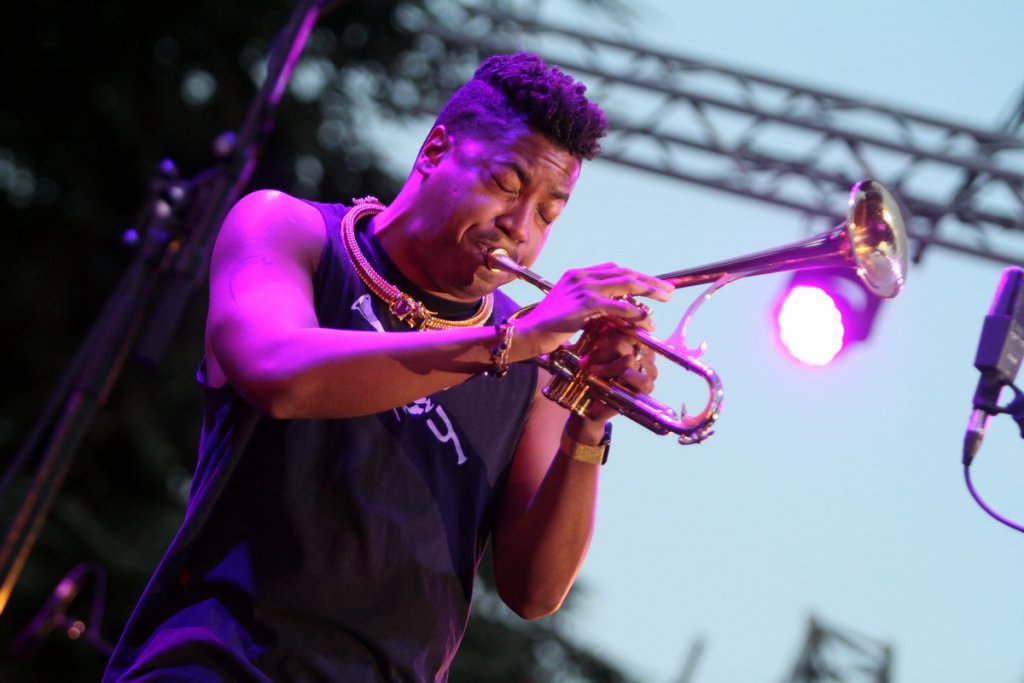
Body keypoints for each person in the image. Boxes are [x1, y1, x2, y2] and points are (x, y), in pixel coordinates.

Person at [103, 51, 673, 682]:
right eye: (507, 185)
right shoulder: (288, 229)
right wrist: (511, 340)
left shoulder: (533, 368)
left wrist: (589, 424)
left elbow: (534, 594)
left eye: (547, 213)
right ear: (435, 151)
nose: (519, 228)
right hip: (214, 665)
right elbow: (277, 373)